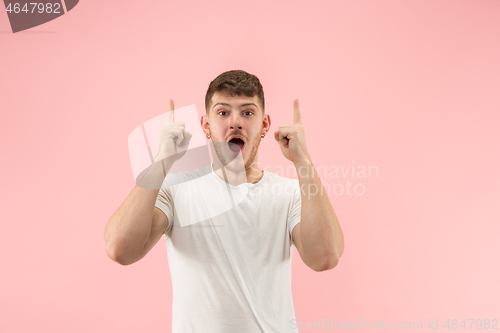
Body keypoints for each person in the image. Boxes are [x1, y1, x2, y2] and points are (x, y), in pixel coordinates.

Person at [105, 70, 344, 332]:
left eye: (248, 112)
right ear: (206, 126)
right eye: (222, 113)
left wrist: (303, 162)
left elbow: (325, 257)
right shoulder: (175, 189)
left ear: (265, 125)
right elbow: (119, 249)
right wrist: (162, 161)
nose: (235, 122)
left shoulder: (290, 193)